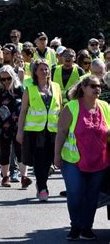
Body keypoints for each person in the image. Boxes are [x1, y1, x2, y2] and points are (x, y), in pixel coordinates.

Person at [54, 75, 110, 241]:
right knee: (75, 193)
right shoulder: (71, 107)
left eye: (99, 86)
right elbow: (62, 132)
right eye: (92, 86)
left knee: (92, 195)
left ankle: (86, 228)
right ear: (83, 88)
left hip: (99, 160)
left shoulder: (105, 107)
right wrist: (56, 156)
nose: (97, 89)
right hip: (73, 160)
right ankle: (75, 226)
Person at [17, 59, 62, 201]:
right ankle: (43, 188)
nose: (45, 71)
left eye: (47, 69)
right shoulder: (29, 89)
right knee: (38, 159)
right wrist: (20, 131)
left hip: (52, 129)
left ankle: (41, 183)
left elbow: (59, 108)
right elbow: (23, 111)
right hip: (34, 130)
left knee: (49, 160)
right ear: (35, 72)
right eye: (41, 69)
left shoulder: (56, 87)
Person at [0, 65, 32, 188]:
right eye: (3, 79)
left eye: (8, 78)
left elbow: (27, 105)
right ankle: (5, 177)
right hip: (3, 125)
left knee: (20, 150)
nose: (6, 81)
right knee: (5, 150)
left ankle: (24, 177)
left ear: (13, 77)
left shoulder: (20, 89)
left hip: (18, 124)